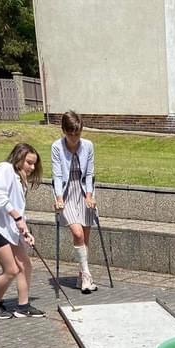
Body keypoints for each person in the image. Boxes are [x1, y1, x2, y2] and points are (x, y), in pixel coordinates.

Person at [0, 143, 46, 319]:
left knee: (25, 265)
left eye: (34, 164)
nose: (32, 168)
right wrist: (18, 218)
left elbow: (17, 211)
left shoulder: (20, 181)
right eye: (29, 162)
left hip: (7, 229)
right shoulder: (5, 168)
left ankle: (23, 306)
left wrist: (25, 231)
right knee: (11, 270)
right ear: (18, 158)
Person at [51, 110, 98, 293]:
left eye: (77, 134)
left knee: (85, 237)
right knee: (77, 234)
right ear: (64, 131)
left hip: (83, 191)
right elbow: (57, 174)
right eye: (70, 134)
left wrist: (89, 195)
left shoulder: (88, 146)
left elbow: (90, 173)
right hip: (67, 193)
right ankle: (86, 274)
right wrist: (59, 198)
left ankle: (81, 276)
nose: (74, 138)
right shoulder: (57, 147)